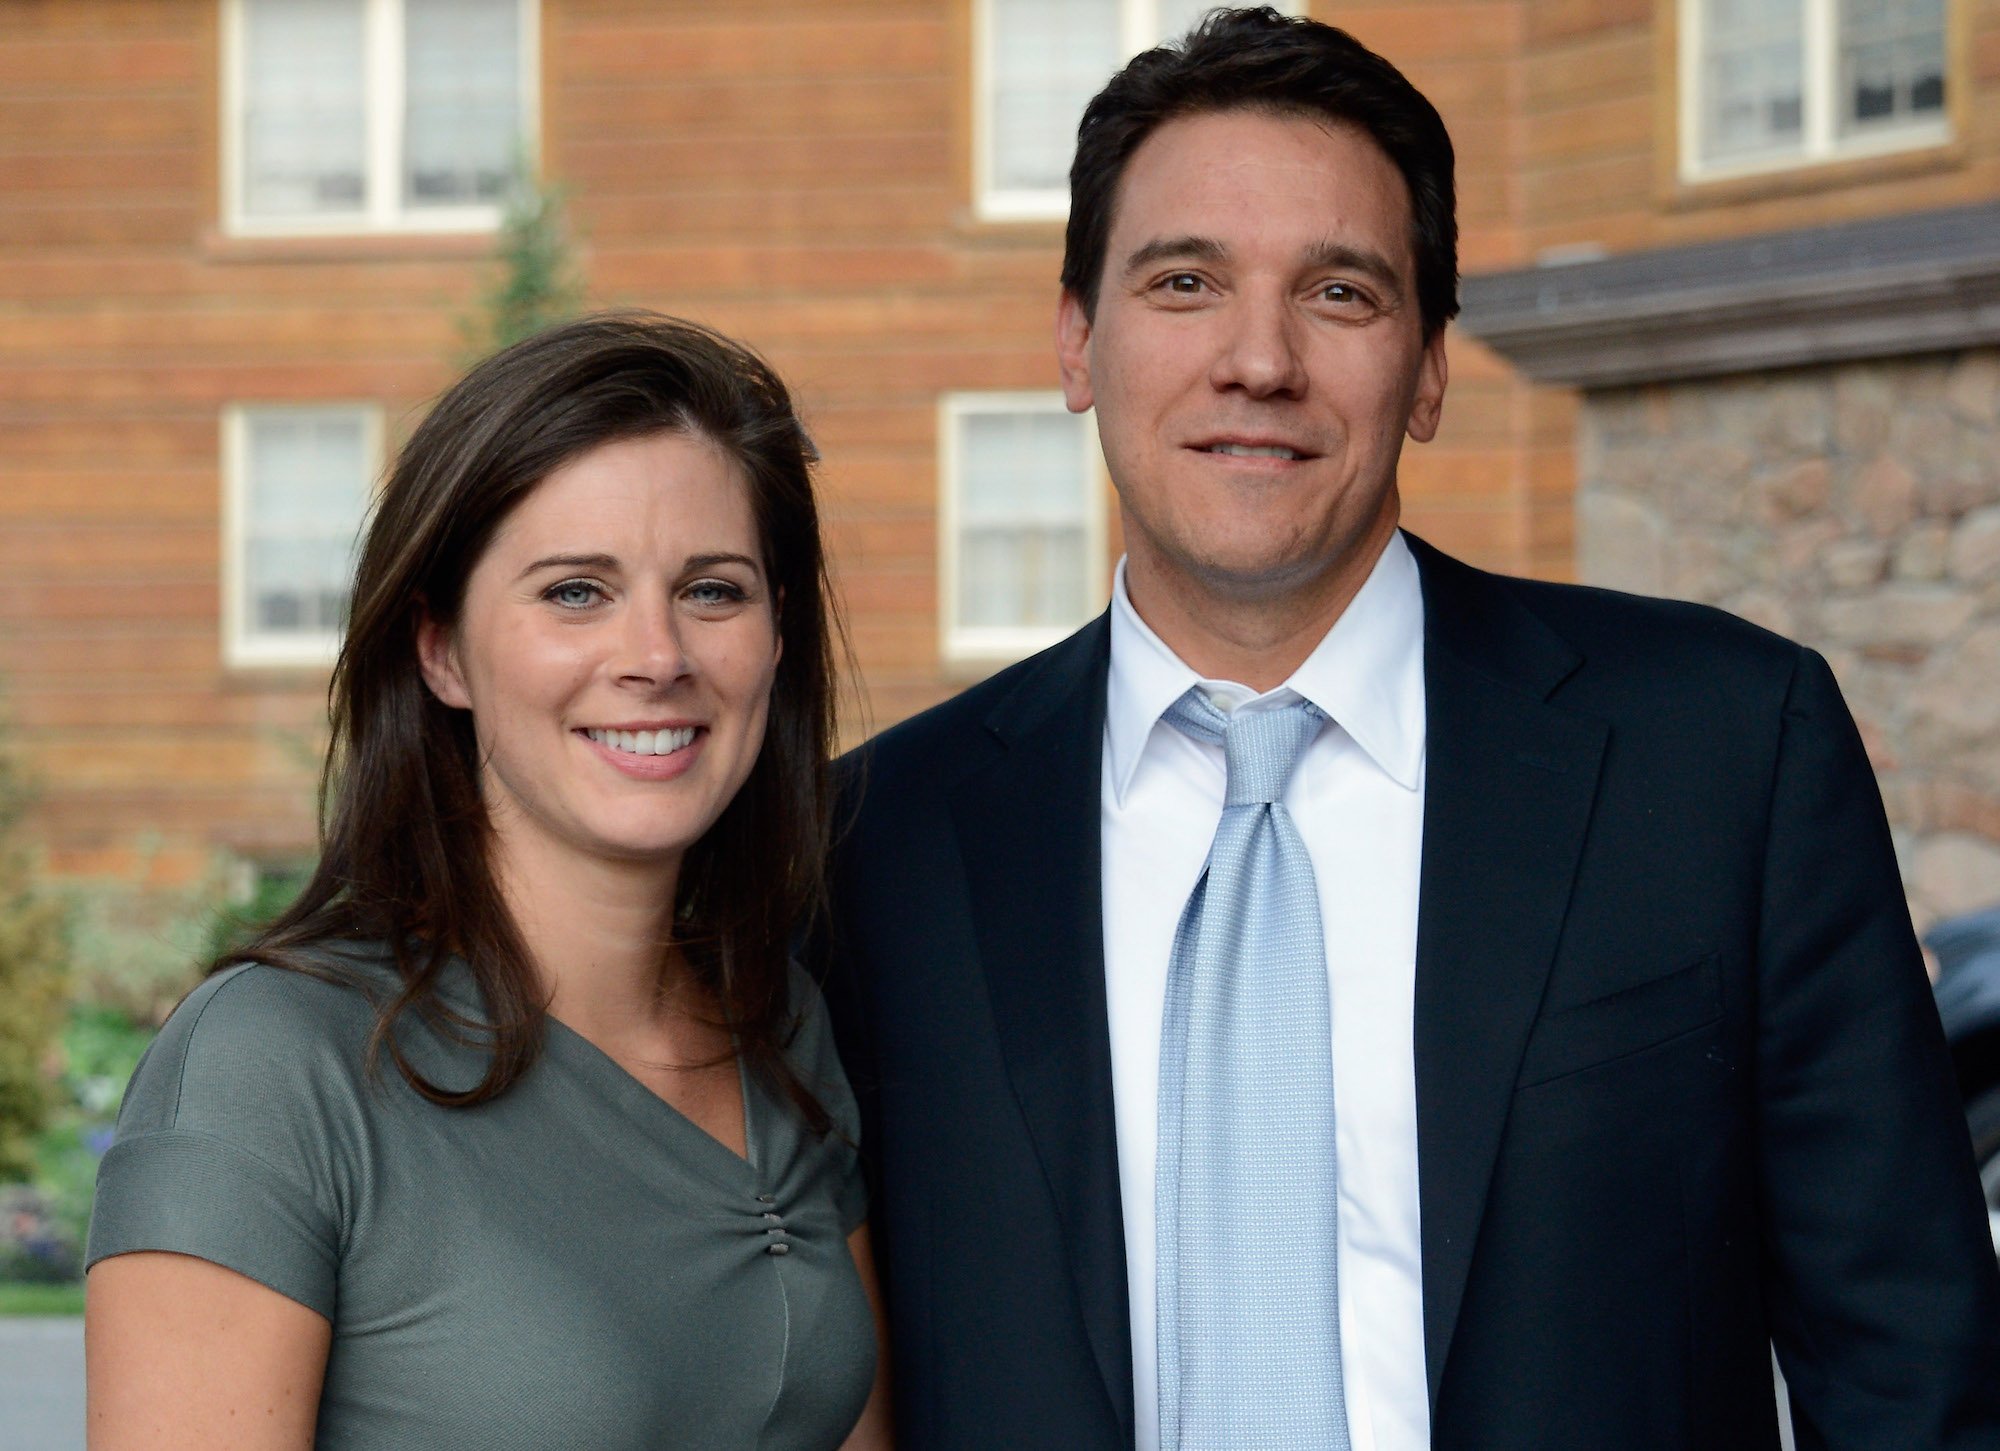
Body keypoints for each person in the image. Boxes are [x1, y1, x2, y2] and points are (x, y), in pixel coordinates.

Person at [818, 9, 2000, 1450]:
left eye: (1341, 292)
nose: (1258, 359)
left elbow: (1913, 1367)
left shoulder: (1724, 753)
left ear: (1430, 365)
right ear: (1078, 340)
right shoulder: (878, 843)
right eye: (1185, 280)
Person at [85, 313, 894, 1451]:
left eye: (713, 589)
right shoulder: (273, 1063)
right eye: (575, 591)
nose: (657, 654)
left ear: (775, 641)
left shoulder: (782, 1029)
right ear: (441, 651)